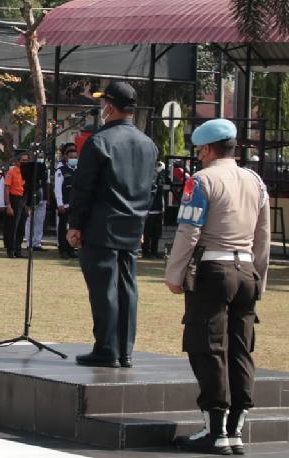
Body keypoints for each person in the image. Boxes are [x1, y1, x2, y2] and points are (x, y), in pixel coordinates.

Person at [165, 119, 270, 455]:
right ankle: (235, 428)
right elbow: (263, 236)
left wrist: (175, 272)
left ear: (207, 149)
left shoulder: (202, 180)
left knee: (207, 346)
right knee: (241, 348)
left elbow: (189, 231)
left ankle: (215, 429)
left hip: (213, 269)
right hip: (246, 269)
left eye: (200, 151)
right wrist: (260, 277)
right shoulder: (255, 181)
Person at [67, 81, 158, 368]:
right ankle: (125, 350)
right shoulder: (148, 144)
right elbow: (150, 190)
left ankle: (106, 348)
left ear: (108, 106)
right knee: (127, 288)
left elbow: (83, 188)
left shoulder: (99, 141)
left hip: (101, 225)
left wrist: (75, 224)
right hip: (132, 225)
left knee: (104, 289)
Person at [0, 153, 29, 258]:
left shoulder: (28, 172)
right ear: (17, 162)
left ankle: (18, 249)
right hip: (14, 199)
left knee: (22, 226)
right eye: (23, 160)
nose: (25, 162)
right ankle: (11, 249)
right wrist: (8, 205)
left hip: (24, 200)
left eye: (27, 160)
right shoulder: (11, 172)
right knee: (13, 226)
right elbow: (6, 189)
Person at [54, 144, 79, 259]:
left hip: (75, 204)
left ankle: (71, 249)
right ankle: (63, 249)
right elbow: (57, 188)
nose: (74, 159)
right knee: (63, 227)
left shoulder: (79, 170)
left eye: (75, 157)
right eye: (71, 157)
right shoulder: (61, 171)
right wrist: (60, 203)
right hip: (64, 204)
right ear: (67, 158)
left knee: (73, 227)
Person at [142, 161, 168, 259]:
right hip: (150, 209)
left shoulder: (161, 177)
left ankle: (154, 251)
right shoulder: (151, 177)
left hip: (158, 209)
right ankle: (146, 252)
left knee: (156, 234)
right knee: (148, 233)